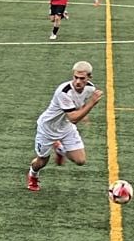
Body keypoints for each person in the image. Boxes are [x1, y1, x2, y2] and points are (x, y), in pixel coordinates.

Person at [27, 61, 102, 192]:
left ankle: (60, 149)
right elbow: (73, 118)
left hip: (65, 128)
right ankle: (33, 175)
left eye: (82, 78)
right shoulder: (64, 91)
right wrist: (91, 104)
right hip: (47, 129)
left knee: (80, 160)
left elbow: (79, 103)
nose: (78, 81)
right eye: (75, 77)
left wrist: (83, 110)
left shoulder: (90, 88)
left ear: (89, 77)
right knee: (42, 162)